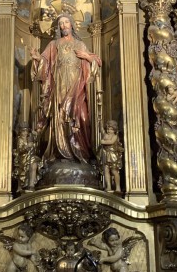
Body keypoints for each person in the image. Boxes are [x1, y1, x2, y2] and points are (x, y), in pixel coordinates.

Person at [31, 14, 101, 164]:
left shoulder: (80, 44)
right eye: (61, 23)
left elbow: (96, 62)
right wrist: (38, 59)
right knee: (61, 116)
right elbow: (45, 62)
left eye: (66, 22)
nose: (63, 26)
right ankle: (60, 153)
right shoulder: (54, 44)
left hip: (78, 87)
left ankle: (81, 152)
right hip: (60, 86)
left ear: (72, 24)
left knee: (82, 117)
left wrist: (87, 57)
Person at [99, 121, 123, 193]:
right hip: (106, 155)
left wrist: (103, 142)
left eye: (111, 129)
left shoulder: (115, 136)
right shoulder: (106, 135)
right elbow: (102, 131)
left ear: (114, 130)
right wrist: (100, 123)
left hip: (113, 156)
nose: (108, 130)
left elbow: (111, 142)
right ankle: (108, 186)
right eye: (108, 129)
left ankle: (118, 187)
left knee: (114, 171)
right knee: (106, 170)